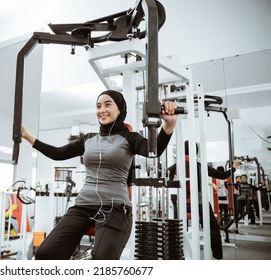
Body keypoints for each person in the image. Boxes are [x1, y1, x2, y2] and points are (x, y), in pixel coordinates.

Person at [21, 89, 178, 260]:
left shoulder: (129, 138)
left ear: (120, 109)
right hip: (82, 206)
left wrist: (168, 126)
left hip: (115, 207)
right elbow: (58, 153)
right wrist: (27, 136)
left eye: (107, 104)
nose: (101, 109)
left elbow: (152, 151)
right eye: (98, 106)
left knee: (102, 260)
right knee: (46, 254)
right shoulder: (88, 139)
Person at [166, 142, 240, 260]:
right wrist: (234, 167)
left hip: (183, 204)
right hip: (200, 204)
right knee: (214, 228)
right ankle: (217, 257)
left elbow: (166, 176)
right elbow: (223, 175)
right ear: (196, 152)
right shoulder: (200, 165)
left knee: (177, 229)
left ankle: (174, 256)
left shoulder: (177, 166)